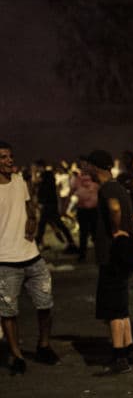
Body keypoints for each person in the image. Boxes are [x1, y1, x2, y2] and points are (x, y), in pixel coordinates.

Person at [0, 141, 60, 374]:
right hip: (5, 261)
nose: (9, 161)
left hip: (32, 256)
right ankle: (16, 355)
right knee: (8, 311)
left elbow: (28, 208)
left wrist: (32, 219)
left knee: (45, 303)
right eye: (3, 157)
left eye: (10, 156)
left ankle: (43, 345)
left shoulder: (19, 181)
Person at [86, 149, 133, 374]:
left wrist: (116, 230)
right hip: (124, 254)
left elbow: (114, 207)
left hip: (113, 254)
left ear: (96, 167)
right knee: (122, 303)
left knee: (113, 307)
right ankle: (129, 348)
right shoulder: (119, 186)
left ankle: (119, 356)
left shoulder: (108, 189)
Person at [70, 156, 100, 262]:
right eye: (82, 164)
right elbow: (72, 189)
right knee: (83, 233)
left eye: (85, 164)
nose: (84, 166)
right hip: (82, 208)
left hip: (94, 209)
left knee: (95, 233)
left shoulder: (96, 176)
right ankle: (82, 255)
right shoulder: (77, 177)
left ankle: (99, 255)